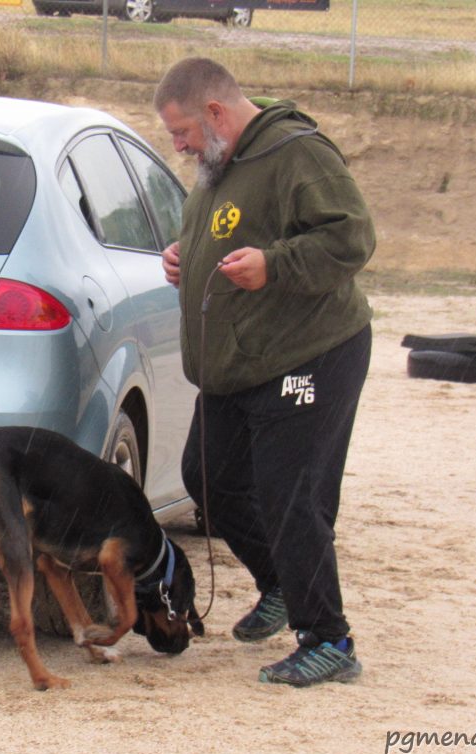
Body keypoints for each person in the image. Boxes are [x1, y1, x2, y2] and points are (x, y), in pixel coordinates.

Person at [153, 57, 374, 687]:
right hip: (239, 362)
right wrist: (182, 256)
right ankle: (280, 583)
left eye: (182, 132)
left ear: (216, 114)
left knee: (291, 494)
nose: (179, 145)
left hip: (308, 354)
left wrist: (275, 265)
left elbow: (352, 238)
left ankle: (328, 638)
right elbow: (221, 232)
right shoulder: (219, 164)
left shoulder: (296, 153)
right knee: (207, 479)